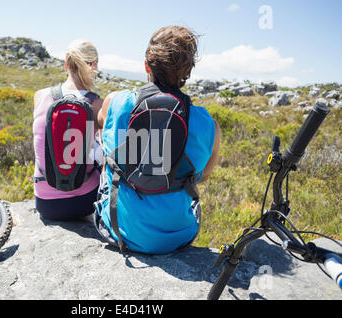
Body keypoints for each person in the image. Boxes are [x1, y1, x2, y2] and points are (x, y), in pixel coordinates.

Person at [94, 26, 220, 254]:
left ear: (146, 66)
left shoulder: (117, 101)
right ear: (188, 72)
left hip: (121, 231)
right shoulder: (207, 123)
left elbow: (101, 123)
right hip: (179, 236)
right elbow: (203, 176)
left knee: (108, 160)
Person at [33, 39, 103, 221]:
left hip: (45, 202)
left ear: (66, 65)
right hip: (85, 202)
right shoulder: (97, 104)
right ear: (93, 65)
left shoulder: (39, 96)